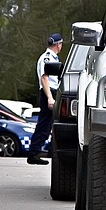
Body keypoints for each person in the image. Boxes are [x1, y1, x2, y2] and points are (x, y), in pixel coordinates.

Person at [27, 32, 63, 166]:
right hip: (48, 92)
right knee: (44, 125)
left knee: (47, 126)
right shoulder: (47, 58)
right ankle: (34, 153)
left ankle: (38, 151)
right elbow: (44, 77)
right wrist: (50, 98)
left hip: (51, 91)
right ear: (58, 45)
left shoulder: (52, 57)